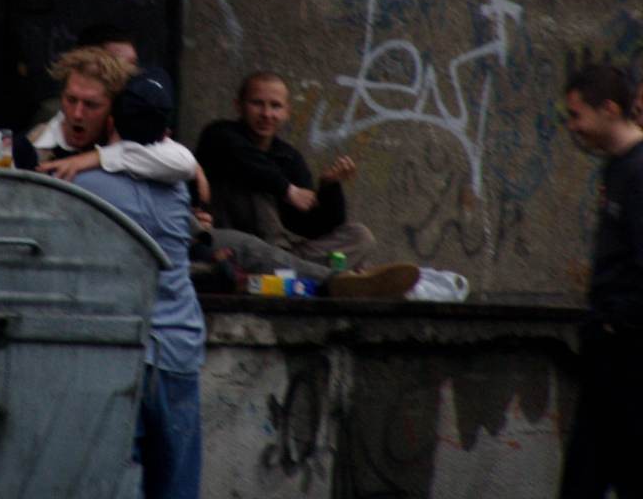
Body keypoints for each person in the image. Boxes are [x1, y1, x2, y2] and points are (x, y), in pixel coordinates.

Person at [73, 70, 205, 499]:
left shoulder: (84, 187)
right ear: (166, 132)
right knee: (175, 484)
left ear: (111, 120)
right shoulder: (179, 187)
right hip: (177, 351)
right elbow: (179, 162)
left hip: (116, 353)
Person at [195, 71, 419, 297]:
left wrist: (329, 188)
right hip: (230, 248)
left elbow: (315, 226)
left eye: (275, 106)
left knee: (360, 236)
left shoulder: (288, 157)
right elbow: (248, 162)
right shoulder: (219, 136)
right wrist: (288, 190)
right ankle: (339, 281)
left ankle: (297, 274)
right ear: (239, 106)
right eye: (257, 104)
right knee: (256, 188)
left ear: (287, 112)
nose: (266, 114)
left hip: (283, 255)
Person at [560, 64, 643, 498]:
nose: (572, 127)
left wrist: (618, 322)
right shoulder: (617, 168)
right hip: (609, 354)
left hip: (628, 356)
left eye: (577, 115)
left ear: (609, 109)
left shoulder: (638, 172)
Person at [25, 46, 197, 184]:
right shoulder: (35, 143)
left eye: (91, 105)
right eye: (71, 100)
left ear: (113, 110)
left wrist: (98, 158)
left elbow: (184, 163)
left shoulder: (128, 139)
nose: (77, 114)